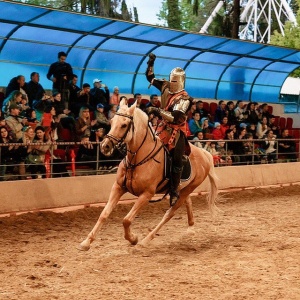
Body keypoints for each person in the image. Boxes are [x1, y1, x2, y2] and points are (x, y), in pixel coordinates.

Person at [145, 52, 196, 206]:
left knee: (177, 158)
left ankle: (174, 190)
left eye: (175, 81)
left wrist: (157, 111)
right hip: (162, 126)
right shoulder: (165, 86)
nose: (172, 83)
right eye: (171, 80)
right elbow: (150, 77)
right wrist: (150, 63)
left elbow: (175, 116)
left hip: (176, 130)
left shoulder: (185, 99)